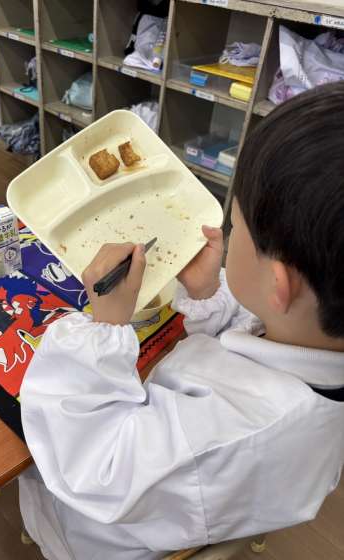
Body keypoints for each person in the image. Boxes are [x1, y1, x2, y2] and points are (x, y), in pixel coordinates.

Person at [18, 82, 344, 560]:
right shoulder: (312, 337)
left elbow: (89, 466)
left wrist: (104, 328)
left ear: (280, 284)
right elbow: (249, 337)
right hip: (183, 497)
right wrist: (208, 292)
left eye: (236, 226)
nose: (228, 233)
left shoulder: (228, 435)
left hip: (94, 530)